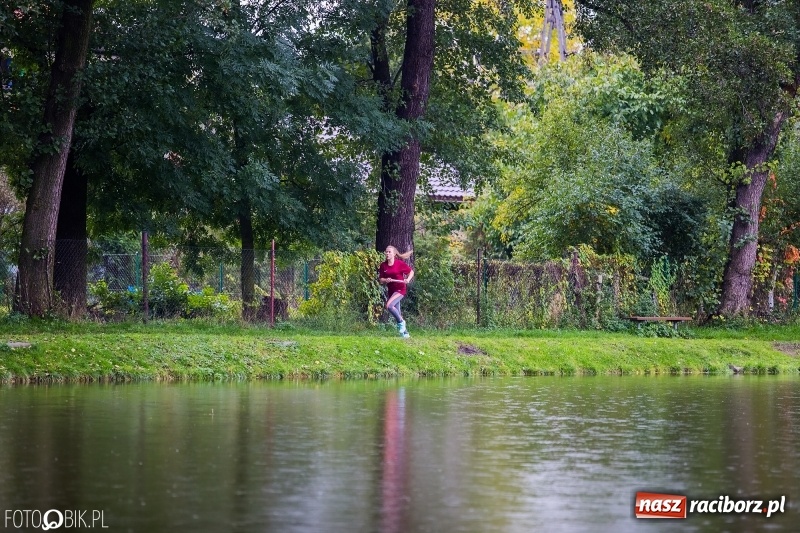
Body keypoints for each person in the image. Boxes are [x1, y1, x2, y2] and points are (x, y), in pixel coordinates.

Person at [378, 246, 414, 338]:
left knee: (389, 306)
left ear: (394, 254)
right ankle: (405, 334)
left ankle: (402, 323)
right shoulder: (383, 265)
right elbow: (381, 280)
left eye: (389, 252)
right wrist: (386, 280)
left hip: (400, 289)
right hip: (391, 291)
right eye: (386, 252)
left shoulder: (399, 264)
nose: (387, 253)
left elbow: (411, 272)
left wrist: (408, 279)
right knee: (397, 312)